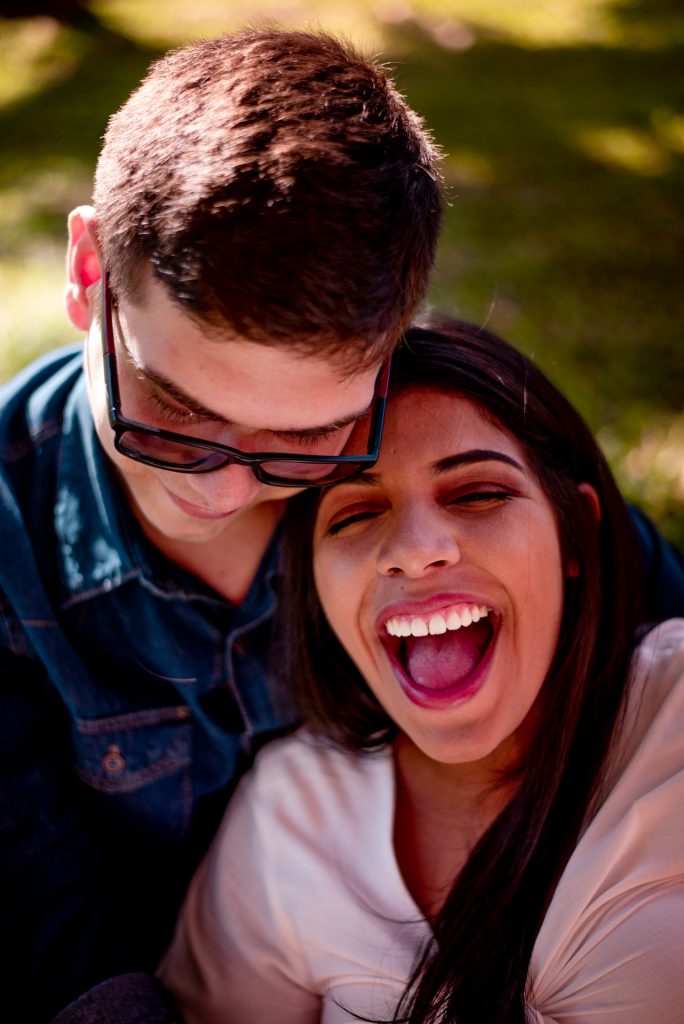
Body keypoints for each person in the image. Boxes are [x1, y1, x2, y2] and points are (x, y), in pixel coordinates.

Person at [0, 28, 444, 1022]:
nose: (228, 487)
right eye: (175, 415)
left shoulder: (455, 455)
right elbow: (61, 952)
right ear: (87, 275)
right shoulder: (7, 558)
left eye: (306, 438)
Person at [160, 316, 684, 1023]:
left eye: (477, 494)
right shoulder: (290, 821)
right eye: (355, 513)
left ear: (576, 536)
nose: (414, 550)